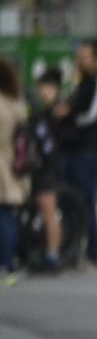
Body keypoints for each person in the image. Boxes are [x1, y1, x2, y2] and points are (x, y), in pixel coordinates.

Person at [55, 39, 97, 267]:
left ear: (96, 59)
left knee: (86, 201)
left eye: (85, 56)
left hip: (87, 152)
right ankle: (71, 251)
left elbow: (90, 115)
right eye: (79, 56)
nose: (81, 60)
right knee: (67, 203)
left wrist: (68, 113)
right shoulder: (77, 82)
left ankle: (93, 252)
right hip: (70, 151)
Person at [24, 68, 66, 271]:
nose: (43, 92)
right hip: (42, 167)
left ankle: (52, 256)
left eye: (46, 88)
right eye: (40, 87)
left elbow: (49, 145)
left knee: (49, 212)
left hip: (48, 169)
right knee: (45, 211)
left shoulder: (57, 111)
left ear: (55, 89)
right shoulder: (44, 111)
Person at [0, 58, 28, 282]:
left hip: (2, 165)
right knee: (8, 215)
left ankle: (6, 264)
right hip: (12, 165)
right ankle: (9, 263)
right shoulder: (17, 102)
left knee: (3, 217)